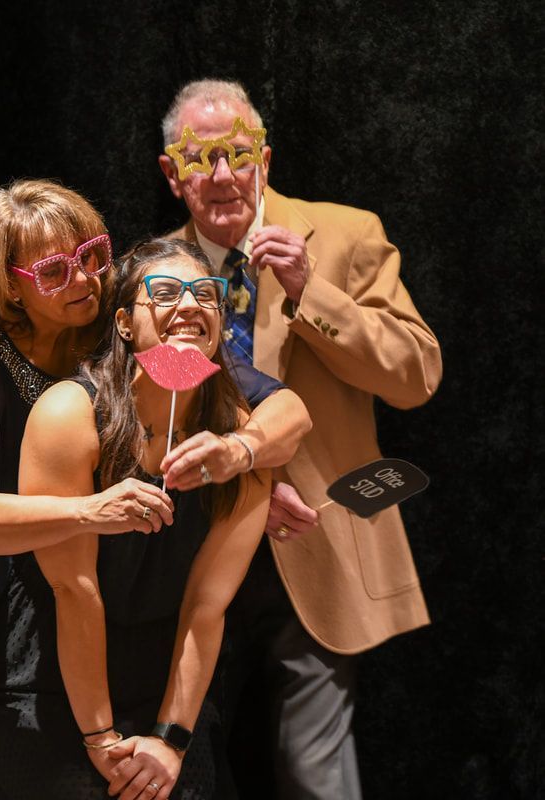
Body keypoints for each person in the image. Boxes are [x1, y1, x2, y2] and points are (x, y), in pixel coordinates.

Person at [0, 180, 311, 798]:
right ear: (10, 285)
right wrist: (89, 509)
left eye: (92, 255)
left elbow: (276, 405)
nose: (85, 279)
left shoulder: (118, 322)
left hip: (117, 580)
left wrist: (245, 457)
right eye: (55, 271)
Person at [158, 79, 443, 799]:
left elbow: (416, 377)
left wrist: (311, 290)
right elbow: (147, 411)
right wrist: (246, 483)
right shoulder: (154, 270)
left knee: (315, 774)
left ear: (265, 159)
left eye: (237, 154)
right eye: (199, 158)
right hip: (196, 547)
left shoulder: (346, 234)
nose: (221, 174)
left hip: (319, 538)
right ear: (172, 175)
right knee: (183, 762)